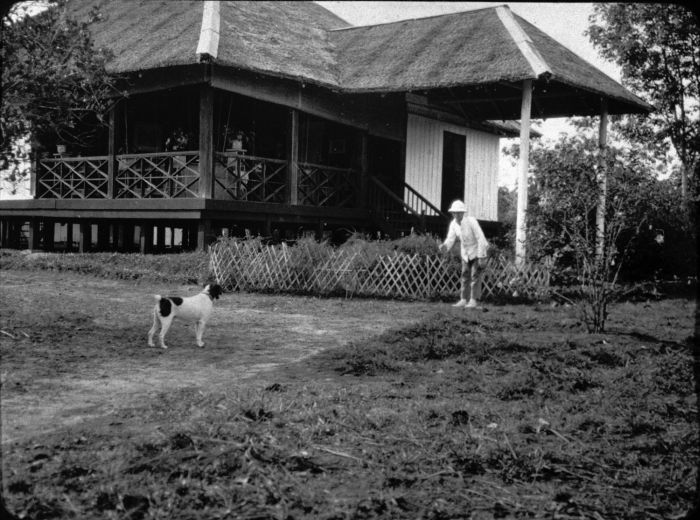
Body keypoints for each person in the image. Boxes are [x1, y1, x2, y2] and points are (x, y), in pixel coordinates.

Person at [439, 200, 489, 308]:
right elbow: (450, 239)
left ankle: (473, 300)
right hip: (465, 253)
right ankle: (463, 299)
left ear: (463, 213)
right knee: (465, 275)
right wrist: (445, 246)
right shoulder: (453, 224)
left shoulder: (471, 221)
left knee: (475, 275)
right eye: (454, 212)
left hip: (477, 250)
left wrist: (481, 256)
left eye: (458, 212)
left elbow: (481, 238)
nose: (456, 214)